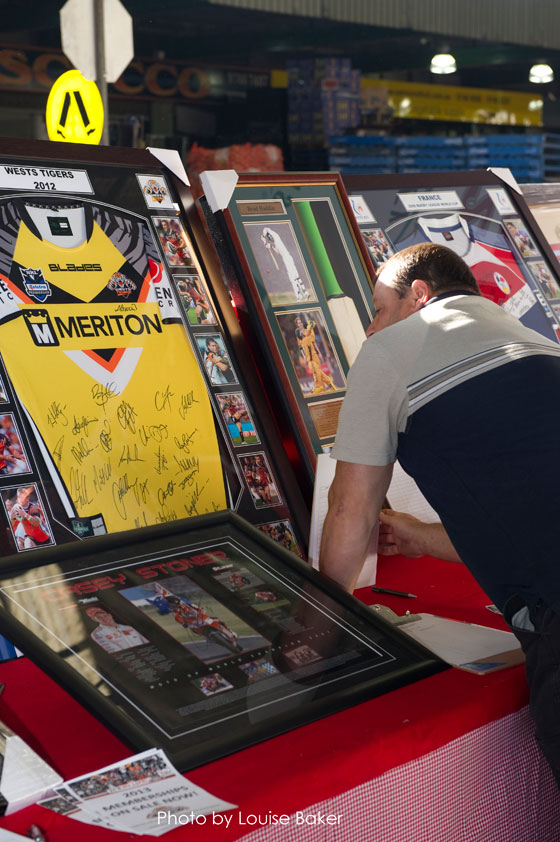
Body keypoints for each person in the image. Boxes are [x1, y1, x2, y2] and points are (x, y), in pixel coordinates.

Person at [318, 241, 560, 785]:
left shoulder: (389, 348)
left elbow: (350, 509)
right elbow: (525, 507)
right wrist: (423, 538)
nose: (372, 328)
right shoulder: (537, 343)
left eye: (378, 309)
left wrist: (321, 630)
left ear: (419, 296)